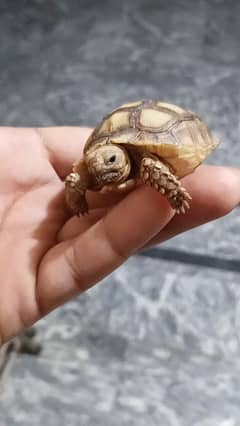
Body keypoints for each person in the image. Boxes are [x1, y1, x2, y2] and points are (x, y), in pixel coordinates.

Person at [0, 126, 239, 345]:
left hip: (153, 150)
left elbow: (150, 163)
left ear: (122, 156)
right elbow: (76, 180)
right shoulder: (93, 168)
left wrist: (173, 191)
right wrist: (77, 200)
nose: (103, 171)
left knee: (151, 166)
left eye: (110, 161)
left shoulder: (145, 160)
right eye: (95, 166)